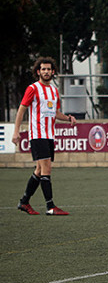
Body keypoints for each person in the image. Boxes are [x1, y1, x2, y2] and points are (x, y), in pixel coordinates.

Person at [11, 57, 77, 216]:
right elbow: (21, 109)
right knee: (46, 168)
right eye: (43, 69)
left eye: (49, 69)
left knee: (40, 170)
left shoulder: (54, 91)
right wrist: (16, 130)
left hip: (49, 135)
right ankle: (50, 206)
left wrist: (68, 119)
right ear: (38, 71)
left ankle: (24, 202)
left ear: (53, 72)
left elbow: (55, 113)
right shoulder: (33, 88)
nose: (46, 72)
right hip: (37, 134)